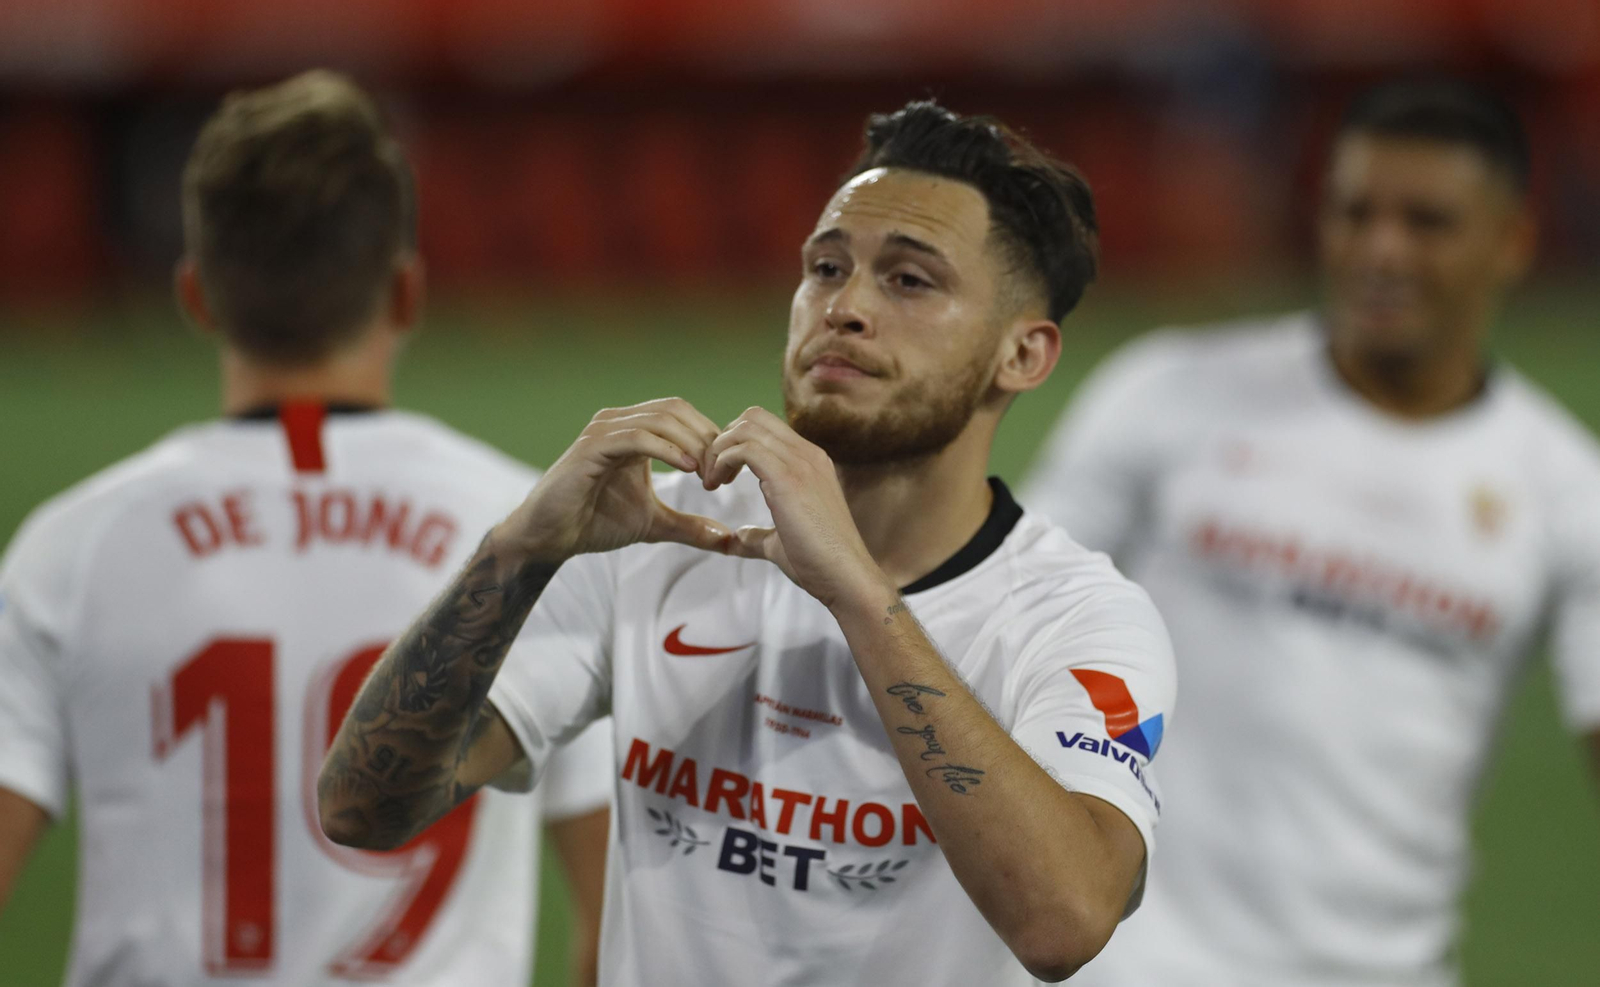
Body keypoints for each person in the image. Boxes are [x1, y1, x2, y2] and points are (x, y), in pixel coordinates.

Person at [316, 101, 1176, 985]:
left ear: (1023, 355)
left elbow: (1063, 922)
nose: (844, 307)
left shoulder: (1080, 620)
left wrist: (858, 593)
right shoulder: (663, 531)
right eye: (827, 266)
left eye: (910, 281)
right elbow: (362, 807)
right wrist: (517, 551)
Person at [0, 70, 611, 986]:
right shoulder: (537, 531)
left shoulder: (72, 547)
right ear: (406, 292)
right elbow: (621, 929)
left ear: (196, 296)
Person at [1023, 79, 1600, 987]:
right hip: (1122, 960)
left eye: (1427, 222)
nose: (1380, 249)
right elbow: (1001, 606)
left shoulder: (1565, 492)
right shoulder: (1172, 392)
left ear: (1512, 243)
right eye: (1353, 212)